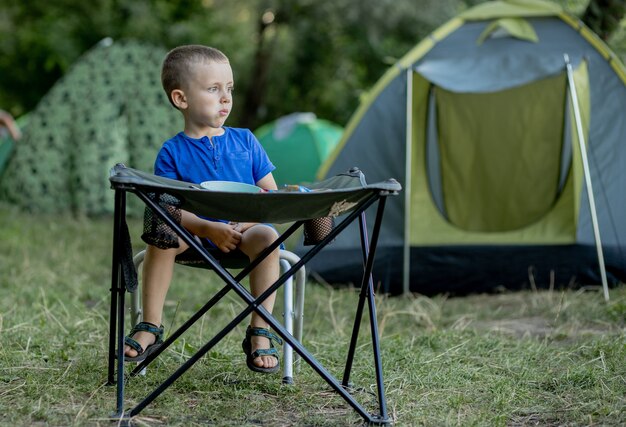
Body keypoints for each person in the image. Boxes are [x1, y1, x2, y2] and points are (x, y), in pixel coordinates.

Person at [123, 45, 282, 374]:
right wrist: (208, 228)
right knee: (161, 235)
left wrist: (241, 225)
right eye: (213, 89)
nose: (225, 98)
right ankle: (150, 324)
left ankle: (260, 331)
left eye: (229, 89)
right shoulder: (172, 152)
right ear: (181, 99)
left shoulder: (246, 141)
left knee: (268, 236)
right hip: (193, 234)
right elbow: (165, 207)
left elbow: (270, 195)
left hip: (245, 231)